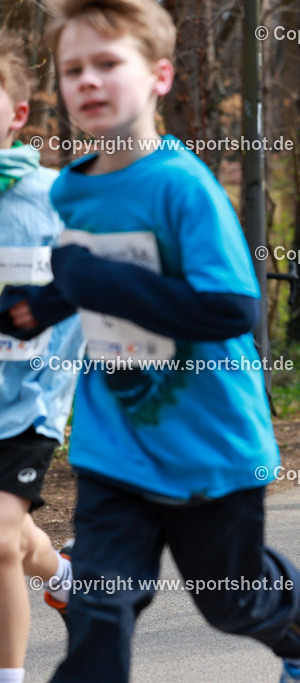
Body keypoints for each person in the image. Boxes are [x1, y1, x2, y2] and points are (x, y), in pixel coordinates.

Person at [1, 2, 300, 679]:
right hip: (114, 440)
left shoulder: (183, 187)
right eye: (73, 69)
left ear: (158, 76)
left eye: (107, 64)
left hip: (210, 441)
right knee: (100, 608)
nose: (88, 81)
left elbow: (230, 309)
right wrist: (34, 310)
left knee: (232, 599)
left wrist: (91, 279)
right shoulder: (70, 188)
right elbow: (83, 275)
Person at [0, 31, 83, 683]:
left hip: (30, 400)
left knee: (0, 538)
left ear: (17, 114)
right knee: (12, 540)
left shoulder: (57, 198)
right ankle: (64, 576)